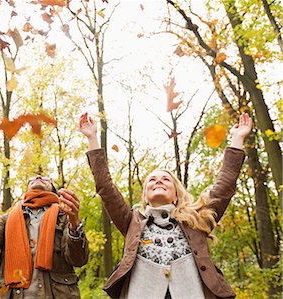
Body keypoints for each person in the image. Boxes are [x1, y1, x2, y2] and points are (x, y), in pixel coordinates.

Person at [79, 112, 252, 299]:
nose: (158, 181)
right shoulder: (132, 222)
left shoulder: (196, 221)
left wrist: (237, 138)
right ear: (145, 195)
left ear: (176, 194)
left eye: (165, 179)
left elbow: (224, 188)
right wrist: (92, 138)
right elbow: (105, 187)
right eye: (152, 180)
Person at [0, 175, 89, 299]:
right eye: (33, 178)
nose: (38, 177)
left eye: (45, 178)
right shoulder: (8, 219)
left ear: (53, 189)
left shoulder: (65, 217)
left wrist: (75, 225)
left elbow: (78, 259)